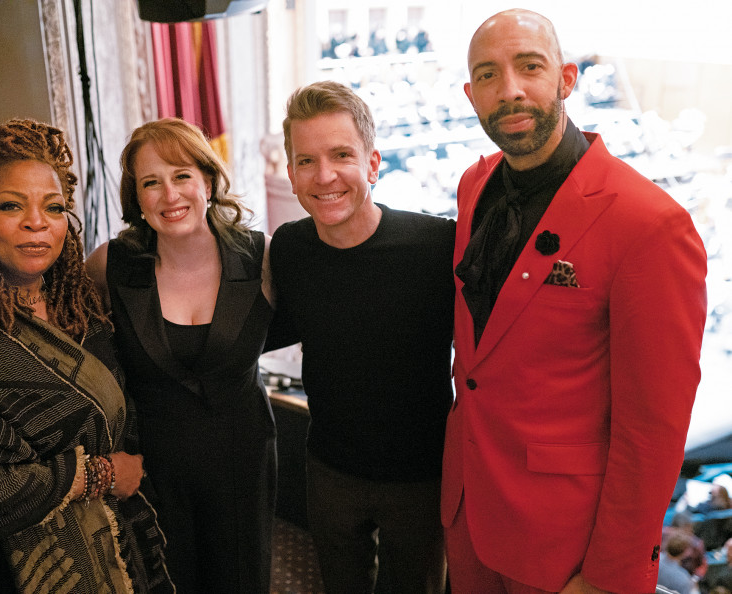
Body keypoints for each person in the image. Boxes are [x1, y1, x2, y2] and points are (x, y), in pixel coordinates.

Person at [441, 9, 708, 593]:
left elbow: (652, 432)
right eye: (488, 75)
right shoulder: (473, 184)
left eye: (528, 67)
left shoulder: (651, 223)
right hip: (470, 517)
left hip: (567, 549)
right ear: (470, 94)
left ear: (566, 78)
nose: (509, 90)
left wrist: (608, 576)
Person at [0, 119, 173, 593]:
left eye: (53, 207)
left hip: (118, 549)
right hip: (11, 573)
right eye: (11, 206)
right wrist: (101, 474)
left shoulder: (79, 303)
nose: (36, 222)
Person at [270, 80, 456, 593]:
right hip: (329, 467)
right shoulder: (289, 247)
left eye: (341, 155)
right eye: (306, 161)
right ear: (290, 174)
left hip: (422, 479)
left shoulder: (436, 245)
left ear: (373, 164)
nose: (324, 175)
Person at [85, 118, 276, 593]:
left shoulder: (262, 256)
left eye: (182, 175)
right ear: (138, 198)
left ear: (208, 181)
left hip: (242, 462)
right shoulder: (109, 265)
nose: (170, 195)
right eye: (152, 182)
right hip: (153, 470)